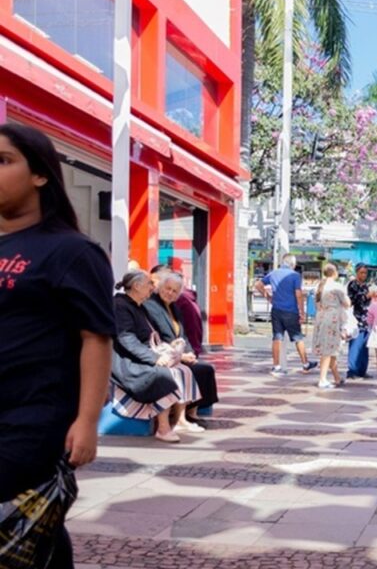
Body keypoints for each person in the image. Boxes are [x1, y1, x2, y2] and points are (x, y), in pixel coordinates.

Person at [0, 123, 115, 568]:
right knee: (35, 524)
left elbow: (96, 337)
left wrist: (88, 420)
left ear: (40, 175)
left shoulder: (71, 251)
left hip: (32, 418)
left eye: (4, 160)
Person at [111, 270, 202, 443]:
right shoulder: (121, 306)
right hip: (127, 362)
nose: (153, 288)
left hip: (141, 356)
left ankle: (180, 420)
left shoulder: (136, 306)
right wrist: (154, 358)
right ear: (137, 286)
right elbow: (126, 338)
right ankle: (163, 427)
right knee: (165, 374)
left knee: (183, 370)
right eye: (149, 284)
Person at [144, 269, 219, 429]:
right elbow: (163, 335)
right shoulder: (152, 305)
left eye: (174, 291)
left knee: (205, 370)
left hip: (178, 352)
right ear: (160, 287)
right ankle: (180, 418)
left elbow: (182, 334)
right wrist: (181, 356)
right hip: (165, 354)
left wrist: (189, 352)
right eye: (167, 289)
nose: (170, 293)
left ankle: (192, 413)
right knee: (190, 371)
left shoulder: (174, 308)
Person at [254, 254, 317, 374]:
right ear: (292, 264)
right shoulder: (295, 275)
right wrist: (302, 312)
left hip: (276, 310)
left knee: (277, 337)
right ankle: (305, 363)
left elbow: (258, 285)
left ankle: (276, 366)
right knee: (298, 338)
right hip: (291, 311)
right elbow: (298, 294)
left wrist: (268, 297)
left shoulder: (274, 273)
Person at [311, 263, 349, 389]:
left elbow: (316, 304)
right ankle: (322, 379)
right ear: (334, 272)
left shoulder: (319, 286)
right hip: (332, 319)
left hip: (321, 317)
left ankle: (337, 377)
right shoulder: (337, 286)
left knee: (330, 349)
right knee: (328, 350)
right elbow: (347, 303)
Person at [346, 264, 373, 379]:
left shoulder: (366, 286)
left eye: (365, 273)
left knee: (364, 346)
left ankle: (362, 369)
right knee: (355, 345)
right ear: (357, 273)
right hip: (356, 319)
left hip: (367, 319)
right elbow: (352, 300)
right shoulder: (353, 285)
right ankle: (352, 370)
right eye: (361, 272)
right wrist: (366, 296)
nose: (363, 275)